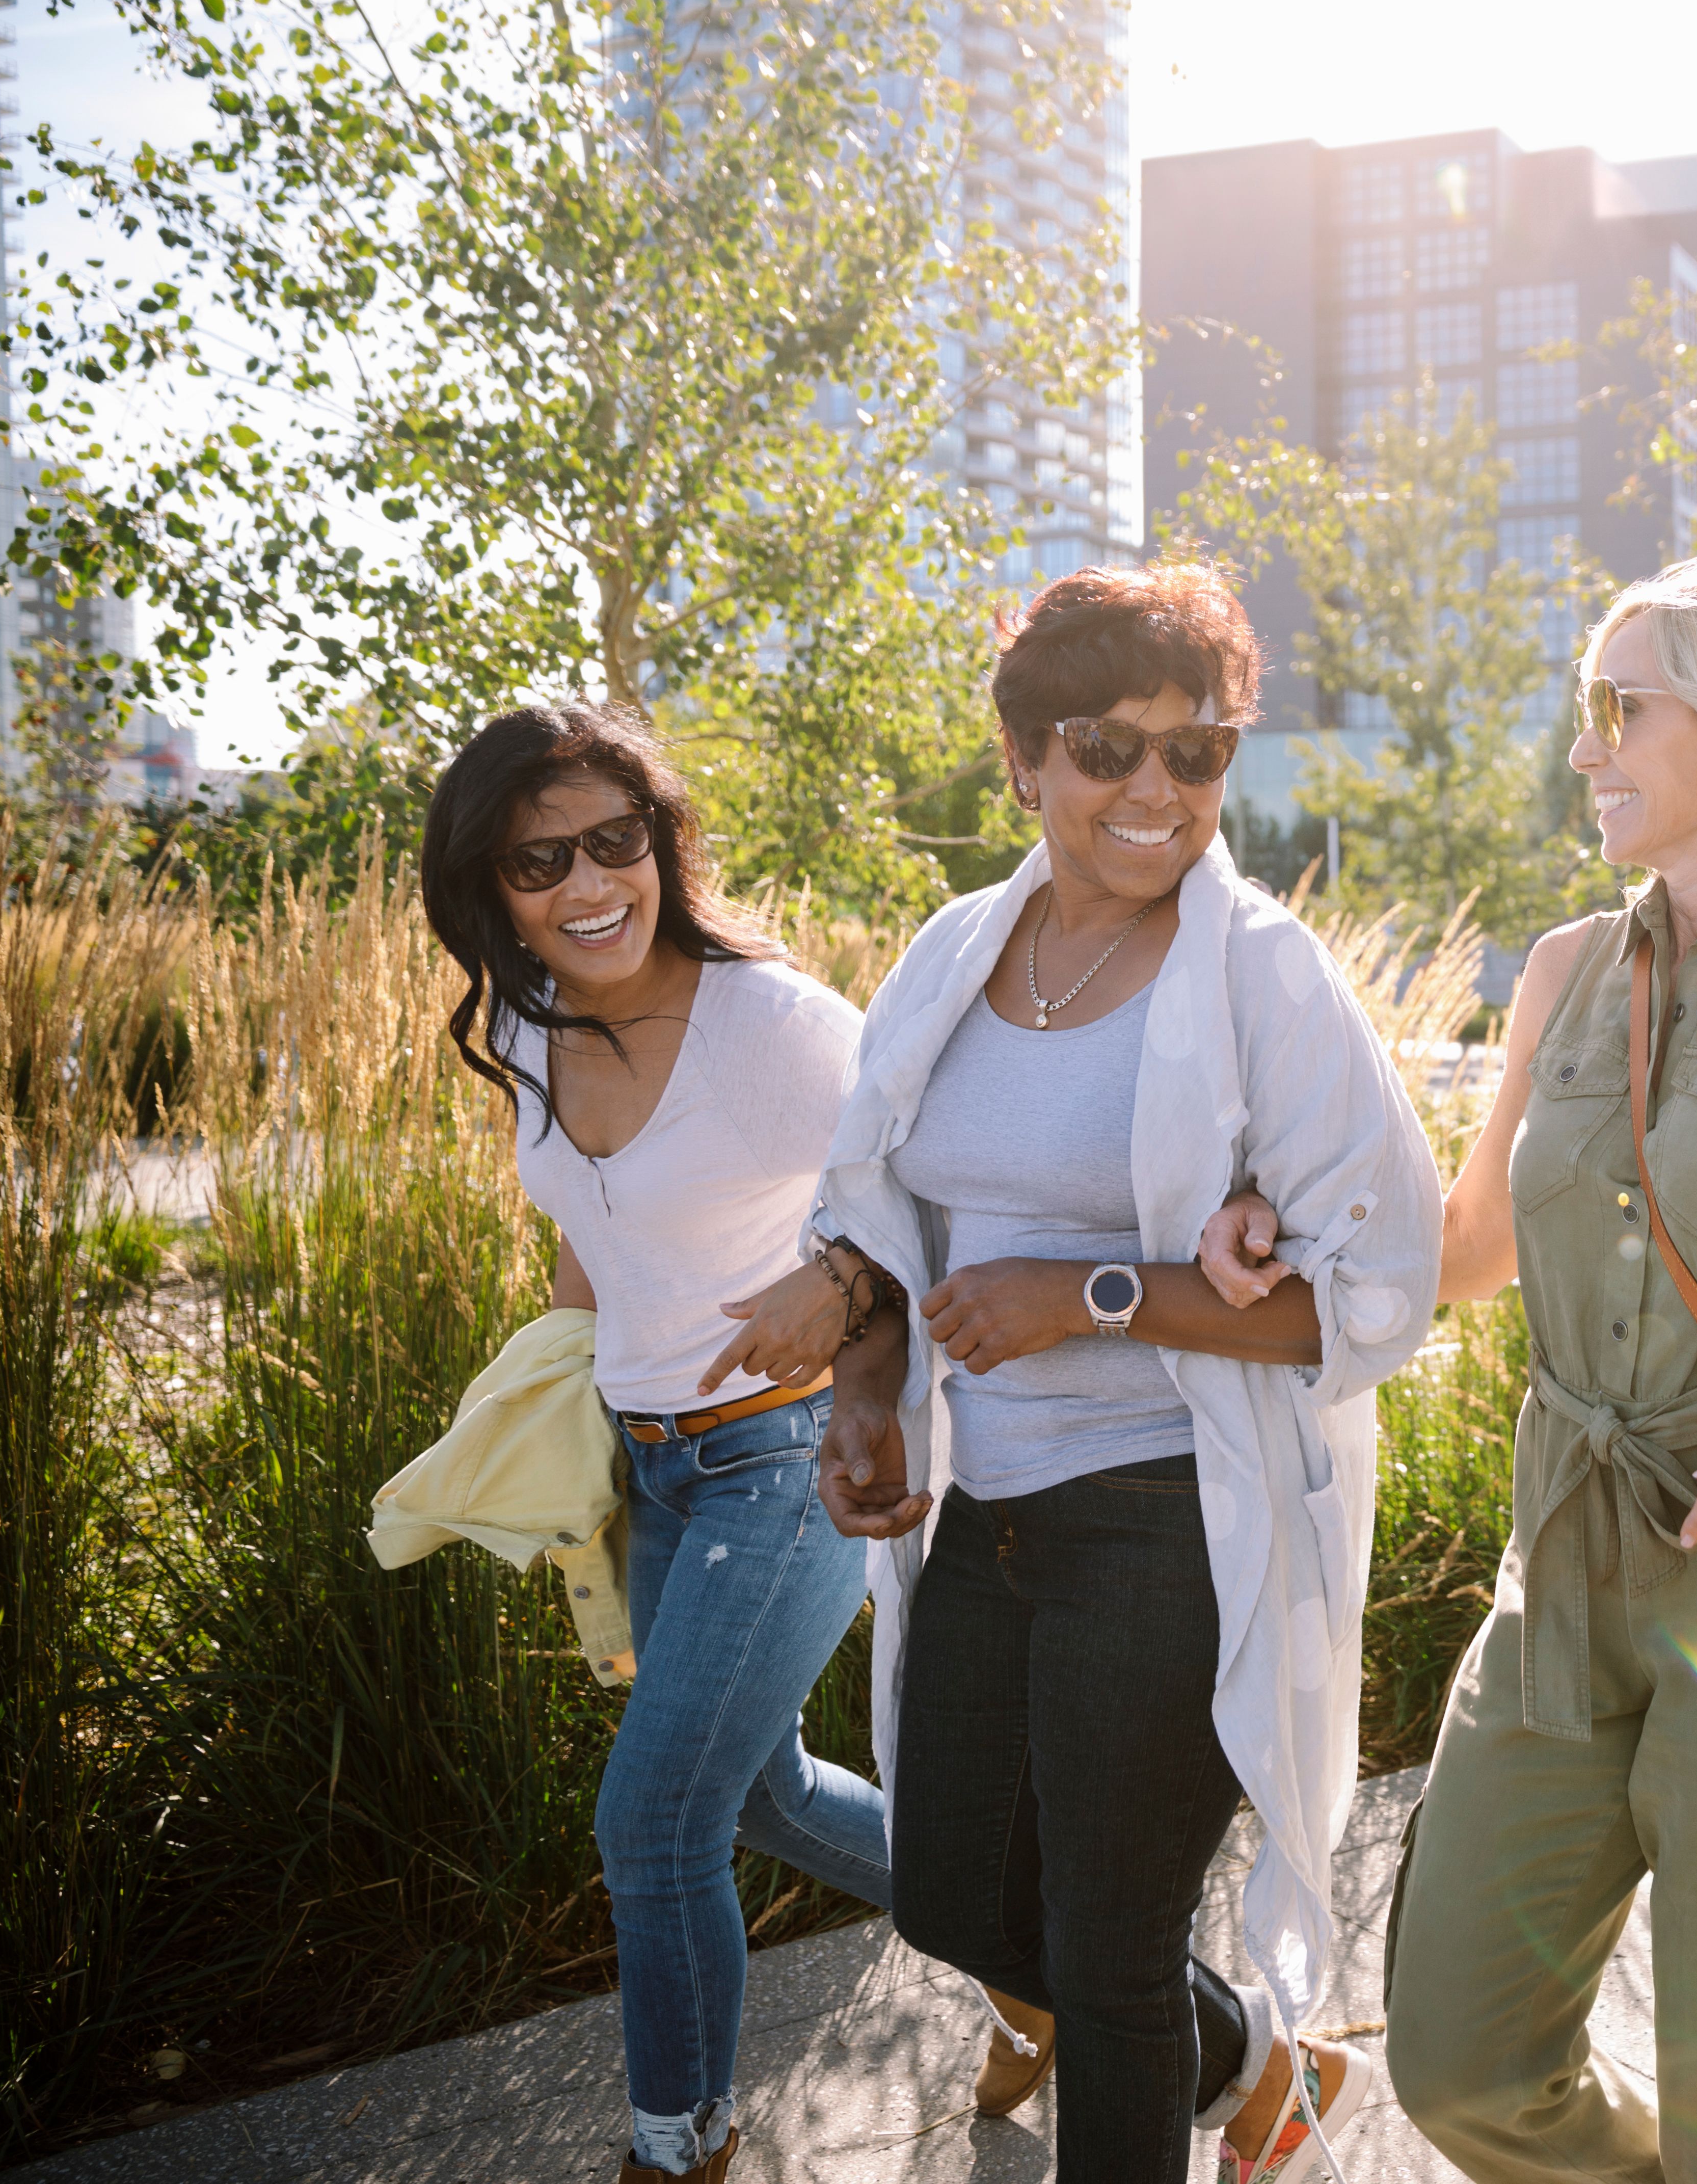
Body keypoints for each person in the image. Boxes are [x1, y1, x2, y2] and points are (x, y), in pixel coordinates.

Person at [1217, 555, 1697, 2183]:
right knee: (1459, 2057)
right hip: (1557, 1567)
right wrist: (1272, 1227)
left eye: (1624, 709)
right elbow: (1467, 1246)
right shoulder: (1569, 971)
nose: (1589, 751)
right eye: (1593, 712)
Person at [806, 562, 1444, 2183]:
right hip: (985, 1506)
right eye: (1108, 748)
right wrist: (867, 1391)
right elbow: (880, 1228)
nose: (1159, 788)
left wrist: (1090, 1294)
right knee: (951, 1891)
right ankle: (1256, 2066)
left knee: (1106, 1951)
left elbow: (1377, 1294)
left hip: (1170, 1512)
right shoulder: (956, 953)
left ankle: (1196, 2067)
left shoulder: (1259, 976)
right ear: (1024, 760)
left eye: (1199, 749)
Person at [418, 704, 894, 2184]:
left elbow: (937, 1199)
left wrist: (840, 1280)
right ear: (493, 895)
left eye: (612, 842)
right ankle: (1038, 1931)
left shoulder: (776, 1025)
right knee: (762, 1794)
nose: (586, 884)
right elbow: (594, 1238)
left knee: (655, 1821)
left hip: (792, 1455)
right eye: (537, 861)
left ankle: (676, 2152)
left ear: (662, 844)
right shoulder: (525, 1021)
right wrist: (571, 1418)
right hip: (661, 1460)